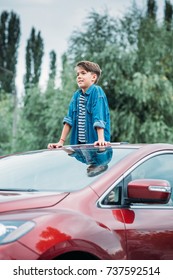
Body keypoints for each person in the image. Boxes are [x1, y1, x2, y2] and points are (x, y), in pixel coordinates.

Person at [48, 60, 110, 148]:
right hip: (79, 147)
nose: (79, 76)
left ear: (93, 77)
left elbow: (99, 116)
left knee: (96, 161)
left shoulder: (97, 91)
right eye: (78, 74)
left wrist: (101, 139)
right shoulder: (76, 96)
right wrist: (61, 142)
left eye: (83, 73)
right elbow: (69, 119)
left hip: (95, 146)